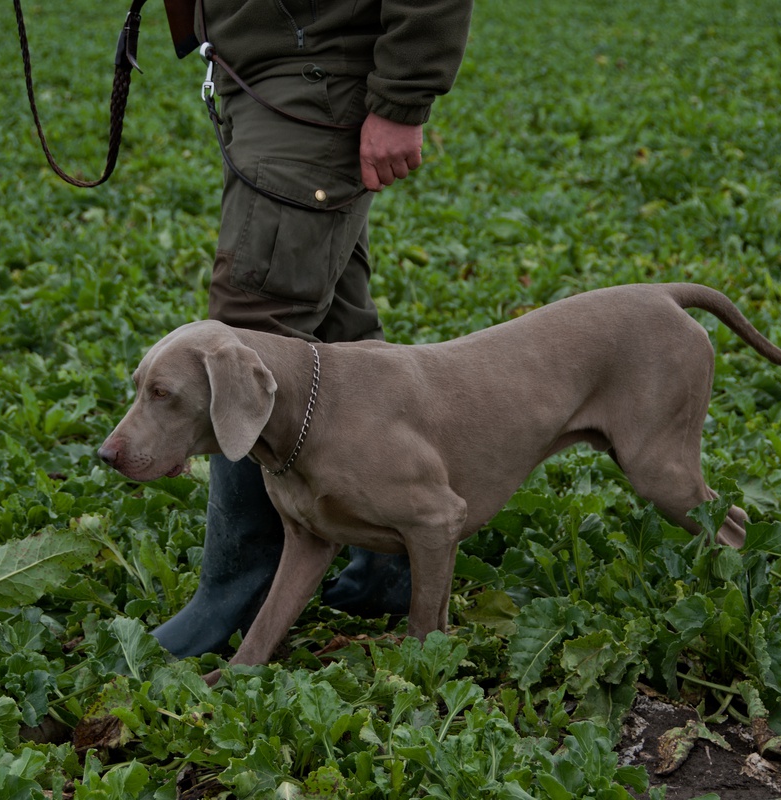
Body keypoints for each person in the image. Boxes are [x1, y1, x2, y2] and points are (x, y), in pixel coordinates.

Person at [151, 0, 475, 659]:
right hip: (272, 73)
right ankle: (389, 555)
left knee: (250, 324)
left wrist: (403, 96)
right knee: (337, 333)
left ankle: (238, 589)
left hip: (313, 72)